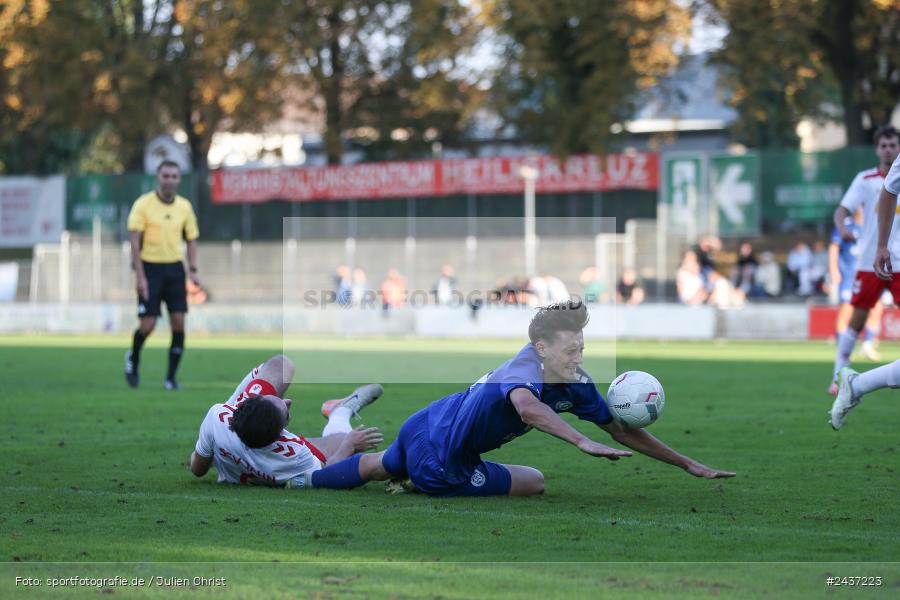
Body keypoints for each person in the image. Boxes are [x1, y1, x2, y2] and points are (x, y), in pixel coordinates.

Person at [297, 301, 735, 496]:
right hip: (444, 461)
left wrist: (687, 464)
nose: (578, 355)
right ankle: (383, 475)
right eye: (571, 348)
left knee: (378, 466)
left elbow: (621, 430)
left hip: (426, 421)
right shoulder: (522, 370)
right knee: (535, 482)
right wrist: (580, 441)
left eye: (582, 346)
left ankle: (307, 476)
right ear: (542, 348)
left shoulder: (574, 381)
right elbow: (527, 407)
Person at [190, 354, 384, 485]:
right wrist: (348, 446)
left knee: (280, 366)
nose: (289, 401)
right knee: (341, 439)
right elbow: (326, 474)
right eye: (287, 414)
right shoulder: (296, 454)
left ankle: (338, 413)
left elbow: (197, 469)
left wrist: (212, 447)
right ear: (280, 435)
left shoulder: (217, 417)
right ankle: (339, 413)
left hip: (240, 437)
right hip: (273, 458)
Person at [832, 144, 900, 429]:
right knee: (858, 315)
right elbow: (888, 192)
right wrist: (881, 244)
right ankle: (843, 375)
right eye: (883, 145)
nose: (888, 150)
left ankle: (856, 384)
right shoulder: (864, 179)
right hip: (873, 260)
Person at [124, 160, 201, 391]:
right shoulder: (143, 205)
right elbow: (134, 243)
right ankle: (133, 357)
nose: (169, 180)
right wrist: (140, 277)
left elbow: (191, 239)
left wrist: (193, 270)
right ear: (158, 177)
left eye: (174, 176)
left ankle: (170, 378)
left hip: (175, 269)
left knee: (178, 323)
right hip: (149, 269)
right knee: (147, 325)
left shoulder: (184, 207)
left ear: (179, 179)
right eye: (165, 175)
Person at [828, 208, 882, 367]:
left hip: (868, 276)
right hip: (849, 277)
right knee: (846, 311)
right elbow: (834, 247)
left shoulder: (873, 225)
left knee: (877, 307)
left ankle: (867, 344)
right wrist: (833, 270)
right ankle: (842, 350)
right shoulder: (846, 225)